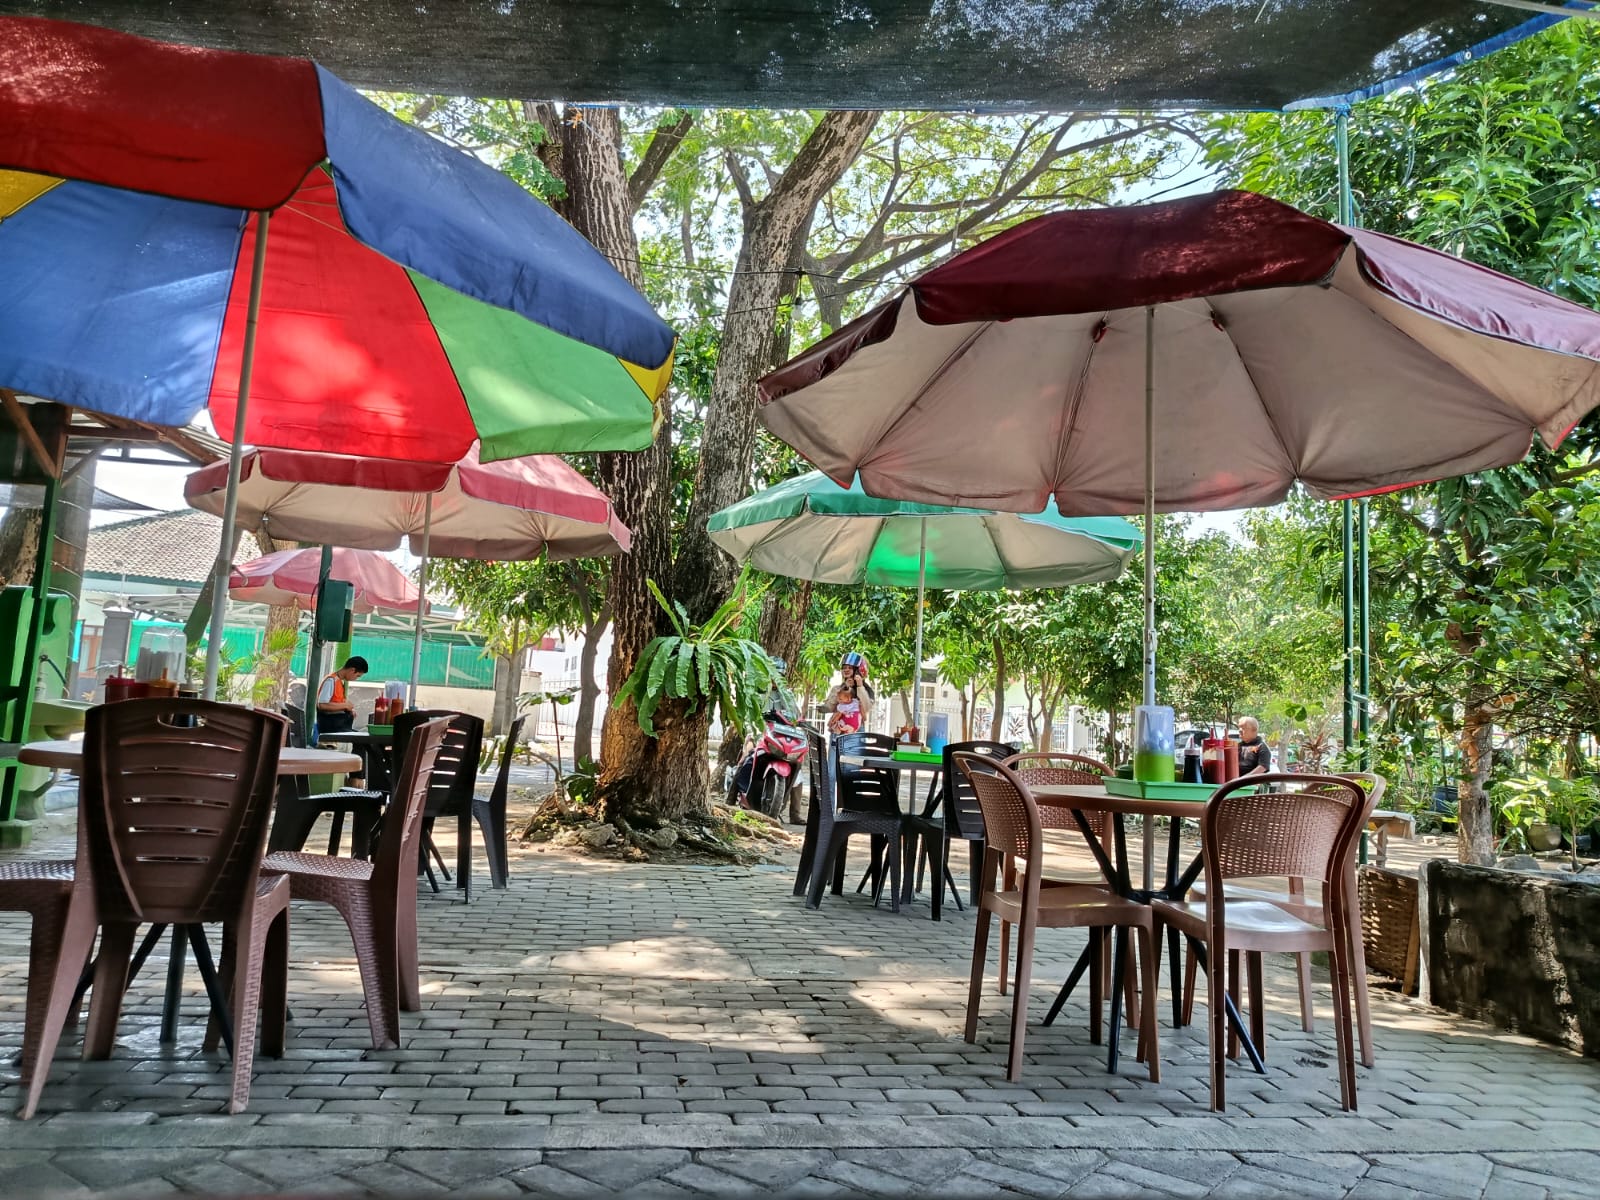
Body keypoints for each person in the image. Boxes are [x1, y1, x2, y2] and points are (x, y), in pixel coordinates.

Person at [316, 655, 369, 737]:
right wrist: (345, 706)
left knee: (363, 737)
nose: (356, 678)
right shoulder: (331, 681)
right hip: (331, 727)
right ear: (352, 670)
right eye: (357, 676)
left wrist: (347, 709)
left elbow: (336, 701)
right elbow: (322, 705)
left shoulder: (339, 682)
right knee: (361, 739)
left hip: (339, 725)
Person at [822, 651, 875, 732]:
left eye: (850, 668)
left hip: (856, 731)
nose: (846, 670)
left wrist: (860, 686)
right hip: (837, 729)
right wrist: (844, 689)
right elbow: (830, 707)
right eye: (844, 667)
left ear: (858, 670)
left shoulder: (867, 690)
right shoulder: (838, 688)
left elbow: (867, 708)